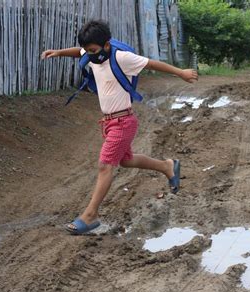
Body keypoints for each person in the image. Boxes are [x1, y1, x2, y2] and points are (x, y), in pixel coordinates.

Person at [41, 20, 198, 235]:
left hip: (123, 122)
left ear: (106, 45)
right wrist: (58, 52)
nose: (90, 55)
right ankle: (167, 166)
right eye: (88, 51)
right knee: (125, 160)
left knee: (105, 165)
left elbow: (152, 64)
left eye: (93, 50)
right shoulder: (92, 54)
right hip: (110, 122)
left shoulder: (121, 57)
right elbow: (78, 52)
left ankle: (90, 216)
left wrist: (180, 72)